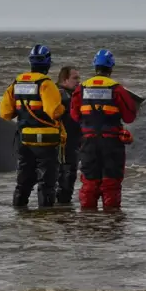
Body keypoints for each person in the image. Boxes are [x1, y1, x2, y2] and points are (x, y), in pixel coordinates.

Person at [0, 44, 65, 208]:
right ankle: (44, 217)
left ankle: (19, 214)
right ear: (48, 63)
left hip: (24, 139)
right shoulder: (46, 84)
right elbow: (54, 112)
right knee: (46, 183)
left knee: (23, 181)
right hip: (46, 141)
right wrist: (64, 107)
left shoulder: (17, 82)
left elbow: (5, 113)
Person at [70, 49, 137, 210]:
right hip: (111, 142)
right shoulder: (117, 89)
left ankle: (88, 221)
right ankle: (111, 222)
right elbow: (130, 116)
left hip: (88, 142)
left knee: (89, 183)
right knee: (111, 183)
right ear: (111, 68)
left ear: (95, 67)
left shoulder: (81, 89)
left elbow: (74, 114)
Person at [55, 66, 82, 204]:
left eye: (79, 78)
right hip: (65, 143)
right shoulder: (60, 95)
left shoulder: (71, 94)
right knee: (66, 174)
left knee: (67, 174)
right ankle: (63, 204)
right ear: (65, 80)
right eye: (75, 78)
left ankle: (62, 206)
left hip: (72, 141)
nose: (78, 81)